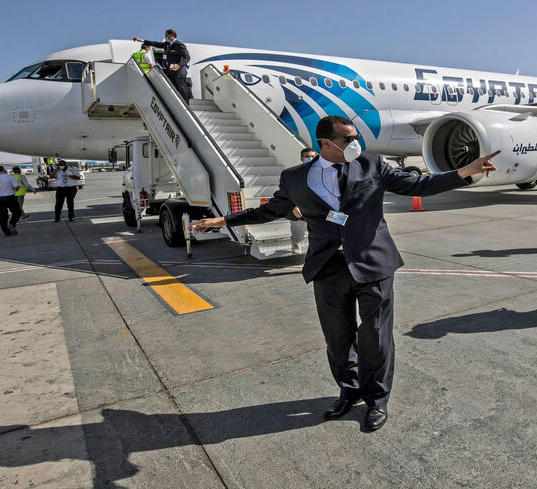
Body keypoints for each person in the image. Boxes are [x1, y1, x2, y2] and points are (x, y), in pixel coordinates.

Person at [192, 115, 499, 431]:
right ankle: (349, 391)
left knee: (376, 337)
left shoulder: (372, 164)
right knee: (337, 339)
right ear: (325, 143)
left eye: (356, 138)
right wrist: (225, 221)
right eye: (347, 139)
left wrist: (465, 172)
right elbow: (268, 211)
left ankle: (377, 400)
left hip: (372, 263)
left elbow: (416, 185)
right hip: (328, 267)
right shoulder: (296, 178)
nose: (356, 144)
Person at [133, 29, 192, 103]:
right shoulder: (166, 44)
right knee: (174, 88)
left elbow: (187, 57)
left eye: (166, 35)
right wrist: (141, 40)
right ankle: (178, 103)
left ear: (171, 35)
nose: (165, 37)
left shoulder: (179, 45)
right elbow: (154, 43)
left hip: (179, 71)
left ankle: (186, 104)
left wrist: (179, 65)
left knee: (182, 88)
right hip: (170, 71)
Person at [289, 147, 319, 251]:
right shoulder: (293, 174)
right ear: (302, 159)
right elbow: (287, 193)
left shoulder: (323, 172)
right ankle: (295, 242)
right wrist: (294, 206)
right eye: (307, 157)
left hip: (316, 210)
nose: (310, 158)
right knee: (298, 235)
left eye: (313, 156)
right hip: (299, 210)